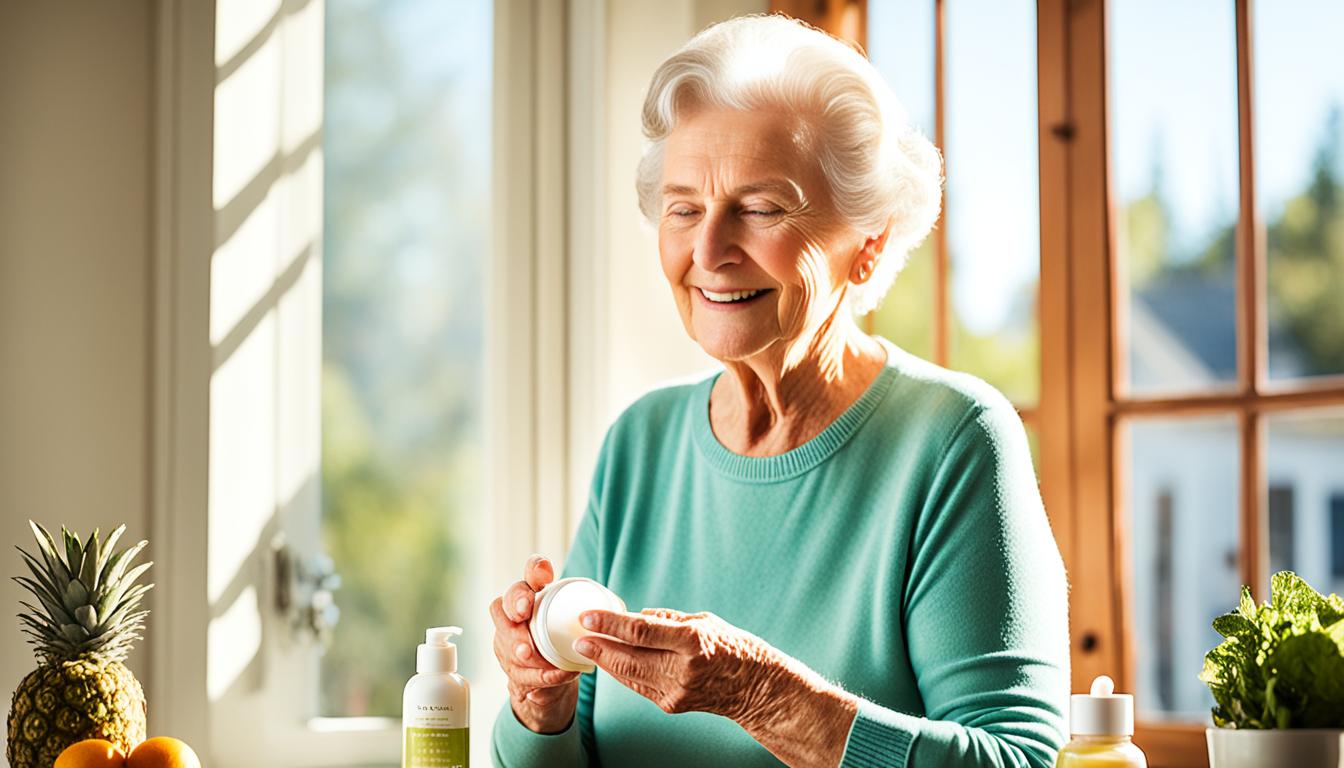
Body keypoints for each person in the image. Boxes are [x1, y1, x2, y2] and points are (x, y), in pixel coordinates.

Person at [490, 14, 1068, 768]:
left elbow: (1018, 760)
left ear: (867, 244)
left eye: (760, 209)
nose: (708, 251)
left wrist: (760, 695)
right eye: (684, 208)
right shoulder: (641, 443)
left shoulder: (954, 441)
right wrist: (541, 704)